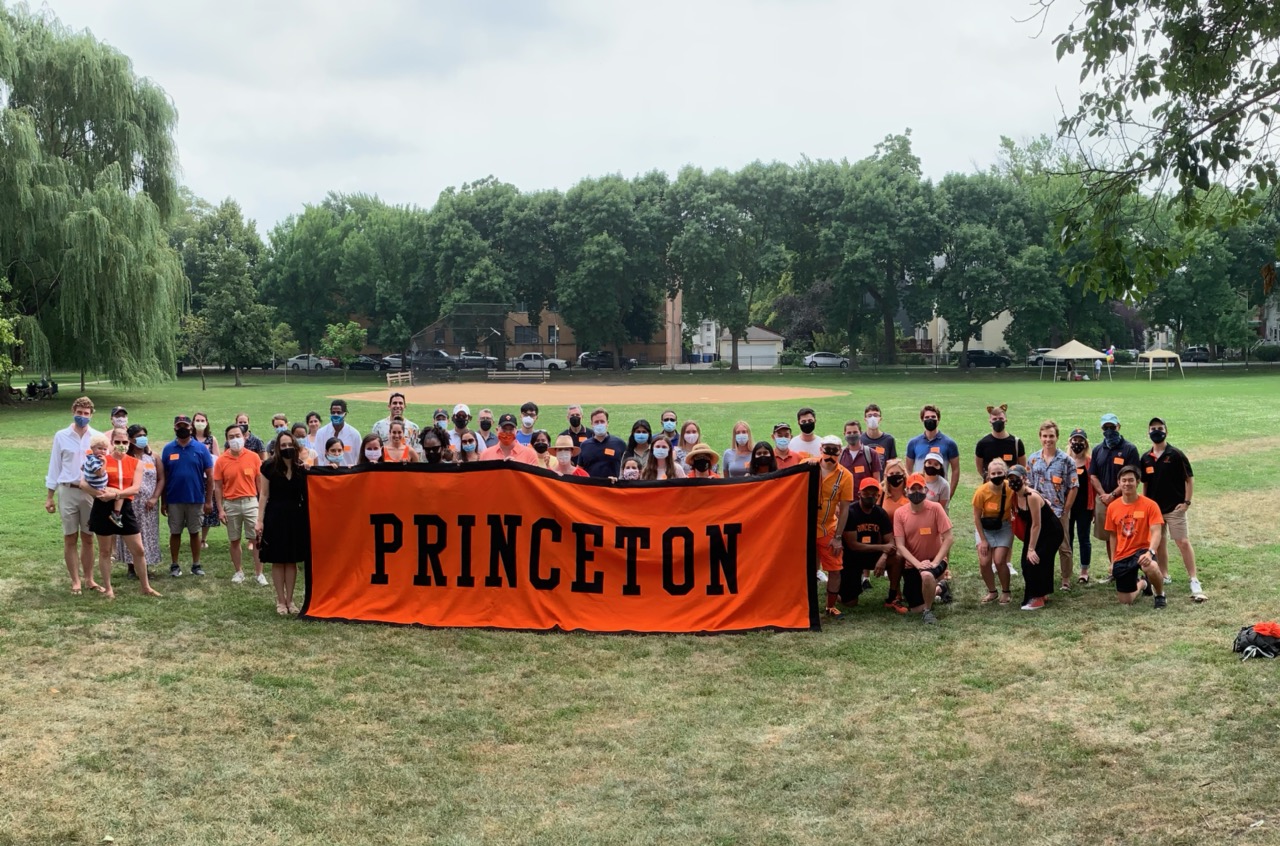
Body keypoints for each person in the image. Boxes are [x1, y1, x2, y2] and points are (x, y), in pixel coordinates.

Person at [79, 426, 161, 599]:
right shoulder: (101, 459)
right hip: (102, 507)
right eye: (117, 442)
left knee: (138, 550)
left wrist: (115, 494)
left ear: (129, 442)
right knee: (105, 551)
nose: (121, 445)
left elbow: (135, 487)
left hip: (125, 508)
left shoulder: (135, 463)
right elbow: (83, 483)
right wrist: (100, 494)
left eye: (124, 442)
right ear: (111, 443)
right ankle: (108, 588)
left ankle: (145, 586)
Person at [1140, 417, 1204, 601]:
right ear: (1148, 433)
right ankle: (1164, 574)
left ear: (1166, 431)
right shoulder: (1145, 458)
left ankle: (1193, 578)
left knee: (1182, 541)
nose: (1156, 431)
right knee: (1159, 543)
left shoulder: (1175, 454)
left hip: (1175, 508)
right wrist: (1146, 504)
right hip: (1155, 510)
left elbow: (1189, 479)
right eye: (1153, 428)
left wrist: (1186, 502)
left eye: (1160, 428)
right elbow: (1145, 484)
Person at [256, 431, 308, 615]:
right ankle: (280, 600)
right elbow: (263, 495)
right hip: (275, 516)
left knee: (291, 561)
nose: (287, 448)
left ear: (295, 445)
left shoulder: (301, 468)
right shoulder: (268, 467)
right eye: (283, 445)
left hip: (295, 516)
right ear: (278, 447)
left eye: (289, 445)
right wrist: (259, 520)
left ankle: (290, 600)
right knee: (278, 560)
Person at [894, 473, 955, 624]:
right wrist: (917, 564)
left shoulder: (936, 509)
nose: (916, 492)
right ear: (906, 491)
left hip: (935, 560)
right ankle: (940, 588)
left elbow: (949, 538)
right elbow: (900, 545)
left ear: (926, 490)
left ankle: (928, 612)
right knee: (915, 608)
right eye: (912, 489)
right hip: (912, 565)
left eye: (919, 489)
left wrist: (935, 562)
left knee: (927, 575)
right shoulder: (900, 513)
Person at [1103, 465, 1166, 609]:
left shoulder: (1150, 505)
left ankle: (1160, 595)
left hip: (1143, 549)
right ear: (1118, 483)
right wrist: (1113, 561)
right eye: (1123, 480)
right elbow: (1113, 536)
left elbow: (1157, 532)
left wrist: (1150, 552)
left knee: (1150, 565)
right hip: (1123, 554)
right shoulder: (1112, 507)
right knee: (1126, 600)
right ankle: (1143, 583)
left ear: (1137, 482)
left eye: (1131, 480)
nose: (1127, 484)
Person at [160, 414, 215, 578]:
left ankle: (196, 564)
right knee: (175, 532)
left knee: (194, 532)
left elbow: (210, 477)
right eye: (179, 426)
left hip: (196, 498)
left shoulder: (201, 449)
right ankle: (174, 564)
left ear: (191, 428)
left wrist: (208, 500)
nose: (182, 428)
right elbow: (164, 476)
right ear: (174, 428)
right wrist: (164, 501)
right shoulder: (168, 449)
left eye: (185, 426)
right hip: (174, 498)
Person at [1026, 420, 1078, 591]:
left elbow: (1073, 486)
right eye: (1045, 436)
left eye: (1051, 436)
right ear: (1040, 437)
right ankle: (1042, 577)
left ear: (1057, 437)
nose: (1048, 439)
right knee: (1041, 546)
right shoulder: (1033, 459)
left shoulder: (1066, 460)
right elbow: (1029, 486)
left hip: (1059, 511)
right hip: (1039, 511)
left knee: (1064, 546)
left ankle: (1065, 580)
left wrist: (1066, 510)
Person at [212, 423, 266, 586]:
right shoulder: (221, 460)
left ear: (244, 437)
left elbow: (260, 485)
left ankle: (259, 573)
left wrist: (261, 507)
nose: (235, 439)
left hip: (251, 502)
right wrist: (220, 509)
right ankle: (239, 572)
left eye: (238, 436)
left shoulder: (254, 457)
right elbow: (218, 487)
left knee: (257, 539)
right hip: (231, 504)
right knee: (234, 540)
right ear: (227, 440)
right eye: (231, 437)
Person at [1089, 412, 1141, 574]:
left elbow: (1134, 475)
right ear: (1101, 428)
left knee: (1128, 534)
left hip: (1125, 499)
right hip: (1104, 500)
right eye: (1106, 427)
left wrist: (1112, 495)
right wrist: (1104, 495)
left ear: (1119, 426)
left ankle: (1130, 569)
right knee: (1109, 535)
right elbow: (1093, 475)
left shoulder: (1129, 449)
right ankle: (1115, 569)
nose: (1109, 430)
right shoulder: (1098, 450)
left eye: (1112, 426)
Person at [839, 477, 900, 610]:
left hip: (873, 555)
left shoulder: (880, 513)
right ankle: (839, 591)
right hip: (852, 557)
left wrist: (883, 557)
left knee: (897, 558)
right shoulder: (851, 512)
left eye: (874, 494)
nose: (870, 496)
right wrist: (882, 547)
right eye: (866, 493)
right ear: (859, 493)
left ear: (878, 496)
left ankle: (892, 596)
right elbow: (853, 545)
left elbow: (890, 541)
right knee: (849, 603)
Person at [1008, 465, 1062, 610]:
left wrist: (1031, 548)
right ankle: (1041, 592)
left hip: (1050, 531)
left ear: (1024, 478)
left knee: (1036, 560)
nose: (1013, 482)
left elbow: (1037, 524)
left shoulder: (1031, 496)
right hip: (1035, 530)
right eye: (1010, 479)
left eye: (1016, 478)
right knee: (1026, 563)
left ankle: (1038, 598)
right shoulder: (1014, 495)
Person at [115, 424, 162, 579]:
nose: (142, 438)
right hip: (130, 503)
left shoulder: (153, 457)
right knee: (131, 533)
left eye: (144, 435)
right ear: (130, 439)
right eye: (138, 436)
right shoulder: (126, 458)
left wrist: (155, 497)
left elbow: (161, 479)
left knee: (147, 534)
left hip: (149, 505)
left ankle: (145, 568)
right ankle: (130, 567)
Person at [813, 436, 853, 616]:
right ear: (821, 448)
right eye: (827, 449)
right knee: (806, 568)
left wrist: (838, 537)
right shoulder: (808, 465)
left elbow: (844, 510)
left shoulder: (846, 476)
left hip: (828, 528)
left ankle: (830, 606)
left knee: (835, 569)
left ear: (841, 451)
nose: (830, 454)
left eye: (834, 450)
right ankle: (805, 603)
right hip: (804, 528)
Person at [972, 458, 1015, 605]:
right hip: (985, 528)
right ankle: (992, 591)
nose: (997, 476)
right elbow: (976, 518)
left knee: (999, 560)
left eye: (1000, 473)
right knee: (984, 561)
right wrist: (983, 540)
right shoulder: (981, 492)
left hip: (1004, 526)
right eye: (993, 473)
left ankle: (1006, 591)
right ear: (988, 475)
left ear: (1005, 473)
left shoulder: (1010, 487)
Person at [905, 405, 961, 503]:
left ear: (938, 419)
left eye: (933, 417)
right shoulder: (913, 443)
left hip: (940, 492)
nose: (930, 419)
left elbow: (955, 470)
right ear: (922, 420)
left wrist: (949, 493)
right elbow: (908, 469)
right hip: (918, 491)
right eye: (927, 417)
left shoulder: (949, 443)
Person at [1066, 428, 1095, 583]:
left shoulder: (1090, 462)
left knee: (1084, 539)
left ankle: (1084, 571)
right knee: (1067, 538)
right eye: (1074, 440)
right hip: (1068, 507)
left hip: (1085, 507)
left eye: (1081, 440)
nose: (1077, 443)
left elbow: (1094, 487)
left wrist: (1095, 510)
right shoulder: (1064, 460)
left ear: (1085, 443)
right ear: (1070, 442)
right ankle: (1068, 570)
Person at [192, 411, 221, 549]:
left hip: (207, 478)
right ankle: (194, 535)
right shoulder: (189, 439)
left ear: (207, 422)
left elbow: (217, 458)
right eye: (197, 420)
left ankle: (203, 539)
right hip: (193, 478)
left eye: (202, 420)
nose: (200, 422)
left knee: (208, 507)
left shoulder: (211, 439)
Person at [82, 435, 124, 528]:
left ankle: (92, 520)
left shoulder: (90, 458)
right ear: (92, 448)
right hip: (99, 486)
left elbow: (82, 467)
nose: (102, 451)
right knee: (120, 494)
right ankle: (116, 514)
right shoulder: (95, 460)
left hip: (95, 485)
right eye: (99, 448)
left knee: (99, 504)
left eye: (105, 449)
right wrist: (105, 462)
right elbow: (100, 473)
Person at [974, 403, 1026, 479]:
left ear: (1006, 420)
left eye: (1001, 419)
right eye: (994, 419)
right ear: (990, 421)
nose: (998, 421)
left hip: (1011, 487)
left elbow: (1022, 467)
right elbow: (980, 468)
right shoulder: (982, 444)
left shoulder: (1016, 443)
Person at [578, 407, 626, 478]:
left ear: (607, 423)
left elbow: (627, 467)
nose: (599, 424)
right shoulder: (584, 445)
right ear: (592, 424)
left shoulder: (620, 444)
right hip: (591, 487)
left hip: (612, 487)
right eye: (596, 422)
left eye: (602, 421)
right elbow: (579, 469)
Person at [316, 399, 362, 466]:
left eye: (339, 412)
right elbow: (318, 457)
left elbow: (360, 457)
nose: (335, 415)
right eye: (333, 412)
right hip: (326, 473)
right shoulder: (321, 433)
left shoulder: (354, 434)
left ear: (345, 414)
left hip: (347, 473)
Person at [838, 420, 882, 486]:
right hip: (845, 495)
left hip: (865, 496)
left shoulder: (871, 454)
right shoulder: (840, 454)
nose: (852, 435)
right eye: (849, 433)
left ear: (861, 433)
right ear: (844, 434)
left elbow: (876, 481)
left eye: (855, 432)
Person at [860, 404, 897, 468]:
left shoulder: (889, 440)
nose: (872, 418)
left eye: (875, 415)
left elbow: (893, 464)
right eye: (869, 416)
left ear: (880, 419)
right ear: (865, 419)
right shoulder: (859, 439)